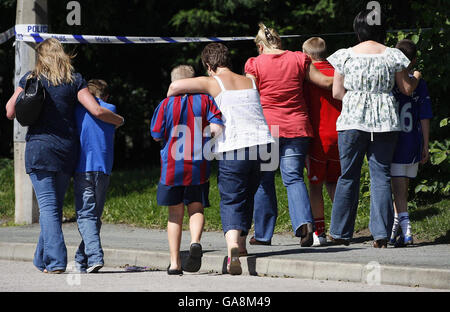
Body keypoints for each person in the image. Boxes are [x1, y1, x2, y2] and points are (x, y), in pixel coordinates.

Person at [5, 38, 124, 273]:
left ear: (41, 57)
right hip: (66, 152)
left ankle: (57, 261)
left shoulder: (31, 78)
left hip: (39, 150)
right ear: (63, 55)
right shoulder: (74, 79)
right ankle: (42, 260)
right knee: (53, 208)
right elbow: (97, 110)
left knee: (49, 210)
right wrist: (119, 120)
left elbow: (10, 111)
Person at [167, 43, 274, 275]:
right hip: (264, 145)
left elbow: (176, 85)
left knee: (232, 199)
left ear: (208, 65)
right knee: (249, 194)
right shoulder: (250, 80)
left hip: (234, 147)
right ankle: (243, 246)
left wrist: (170, 98)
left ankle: (232, 247)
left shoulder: (213, 81)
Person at [327, 9, 421, 248]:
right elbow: (406, 89)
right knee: (381, 176)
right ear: (381, 29)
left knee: (348, 176)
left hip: (352, 121)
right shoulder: (393, 55)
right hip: (385, 120)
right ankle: (380, 234)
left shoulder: (344, 55)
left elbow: (337, 92)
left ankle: (340, 232)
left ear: (358, 29)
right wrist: (417, 76)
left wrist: (358, 98)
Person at [244, 23, 333, 247]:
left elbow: (248, 95)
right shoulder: (298, 59)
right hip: (297, 127)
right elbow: (325, 81)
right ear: (279, 41)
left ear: (260, 46)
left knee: (264, 180)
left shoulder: (254, 63)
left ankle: (263, 235)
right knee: (293, 177)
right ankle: (305, 225)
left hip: (267, 129)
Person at [151, 65, 224, 275]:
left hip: (171, 167)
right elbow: (217, 125)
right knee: (196, 207)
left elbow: (156, 133)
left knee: (174, 214)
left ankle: (175, 263)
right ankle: (195, 241)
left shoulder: (165, 104)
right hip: (198, 164)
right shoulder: (206, 101)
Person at [389, 39, 432, 247]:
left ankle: (406, 231)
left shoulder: (391, 81)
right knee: (402, 190)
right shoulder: (418, 82)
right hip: (414, 140)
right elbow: (425, 115)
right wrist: (426, 143)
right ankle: (395, 230)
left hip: (396, 141)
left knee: (398, 191)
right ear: (414, 60)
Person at [73, 79, 118, 273]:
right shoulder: (111, 108)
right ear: (106, 96)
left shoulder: (77, 110)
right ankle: (81, 258)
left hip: (82, 167)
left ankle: (94, 257)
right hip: (104, 168)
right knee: (93, 217)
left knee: (85, 215)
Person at [302, 37, 342, 247]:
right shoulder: (337, 71)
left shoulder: (308, 74)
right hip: (340, 134)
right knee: (335, 182)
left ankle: (320, 232)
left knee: (315, 185)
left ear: (307, 56)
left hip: (318, 136)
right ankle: (341, 229)